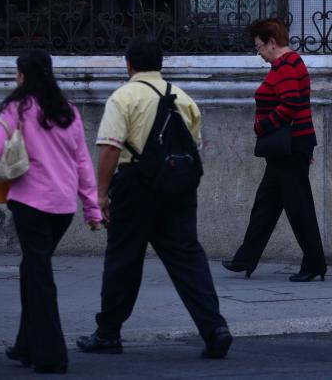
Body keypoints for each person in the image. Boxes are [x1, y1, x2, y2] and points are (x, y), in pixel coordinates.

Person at [76, 36, 232, 359]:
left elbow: (109, 148)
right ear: (161, 64)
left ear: (129, 64)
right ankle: (215, 328)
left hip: (135, 185)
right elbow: (195, 145)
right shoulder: (183, 98)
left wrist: (100, 195)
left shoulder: (123, 97)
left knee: (123, 259)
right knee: (187, 257)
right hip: (178, 185)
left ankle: (108, 333)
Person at [0, 49, 104, 375]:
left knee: (39, 275)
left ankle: (51, 354)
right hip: (63, 206)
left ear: (23, 76)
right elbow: (83, 161)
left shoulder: (18, 108)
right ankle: (26, 345)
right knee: (32, 268)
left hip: (30, 202)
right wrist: (92, 209)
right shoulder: (68, 111)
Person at [222, 18, 327, 282]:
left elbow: (290, 104)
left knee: (298, 206)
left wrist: (263, 127)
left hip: (290, 148)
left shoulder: (286, 65)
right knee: (266, 204)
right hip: (291, 147)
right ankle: (245, 258)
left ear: (271, 42)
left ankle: (314, 263)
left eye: (259, 47)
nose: (259, 54)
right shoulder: (289, 63)